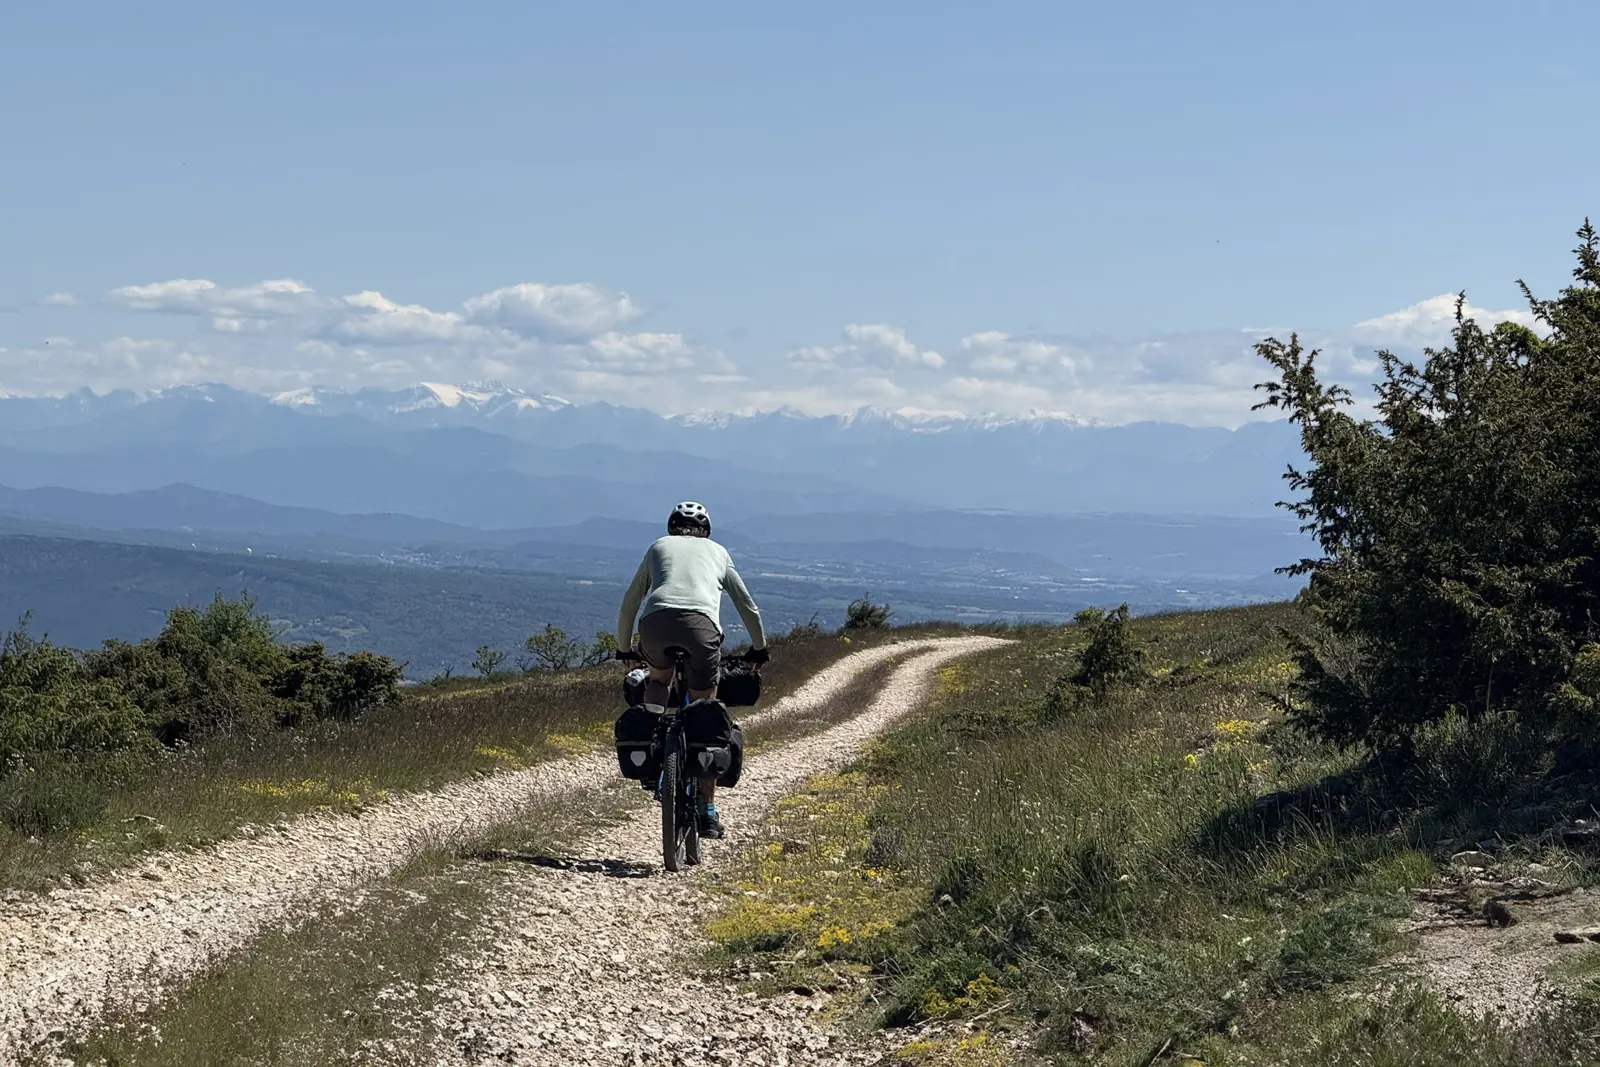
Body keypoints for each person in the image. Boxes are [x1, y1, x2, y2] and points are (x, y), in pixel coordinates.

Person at [617, 501, 768, 838]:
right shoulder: (718, 552)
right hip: (701, 629)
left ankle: (651, 747)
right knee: (705, 710)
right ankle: (708, 810)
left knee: (658, 679)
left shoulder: (659, 546)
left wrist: (624, 648)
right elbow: (748, 607)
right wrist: (759, 648)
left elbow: (630, 602)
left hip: (655, 623)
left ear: (672, 527)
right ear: (706, 530)